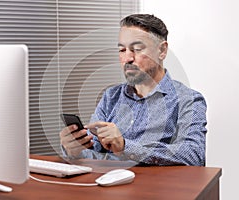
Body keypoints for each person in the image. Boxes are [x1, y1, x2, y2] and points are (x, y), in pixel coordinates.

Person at [60, 14, 207, 166]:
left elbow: (193, 155)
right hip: (110, 184)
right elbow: (94, 152)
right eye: (122, 50)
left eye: (137, 49)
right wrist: (75, 150)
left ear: (162, 51)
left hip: (156, 188)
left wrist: (125, 146)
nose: (127, 58)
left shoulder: (188, 100)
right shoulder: (111, 97)